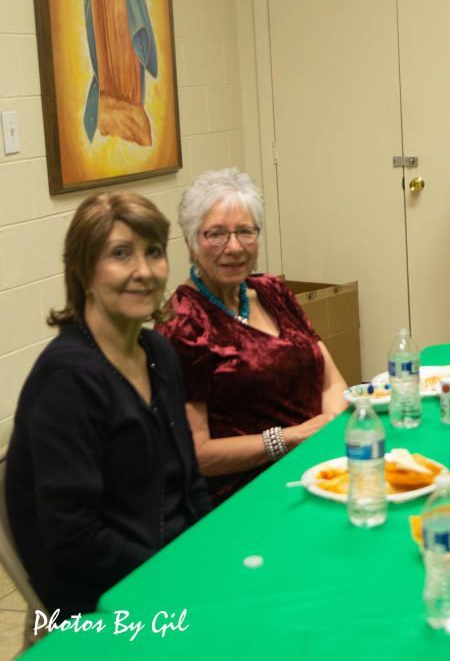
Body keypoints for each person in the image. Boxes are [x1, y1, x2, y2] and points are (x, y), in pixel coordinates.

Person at [5, 192, 211, 618]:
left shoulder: (158, 352)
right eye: (120, 254)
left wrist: (213, 552)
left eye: (153, 252)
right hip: (102, 601)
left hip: (172, 569)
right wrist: (171, 575)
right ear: (84, 271)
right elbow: (73, 535)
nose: (143, 271)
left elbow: (190, 483)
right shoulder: (66, 380)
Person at [157, 168, 348, 505]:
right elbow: (197, 453)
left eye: (245, 231)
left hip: (320, 470)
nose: (233, 247)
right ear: (189, 243)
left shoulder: (272, 290)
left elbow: (330, 380)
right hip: (247, 495)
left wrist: (331, 430)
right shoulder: (183, 323)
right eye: (215, 234)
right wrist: (289, 439)